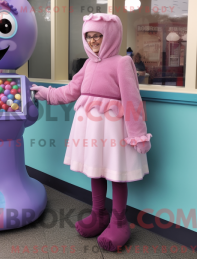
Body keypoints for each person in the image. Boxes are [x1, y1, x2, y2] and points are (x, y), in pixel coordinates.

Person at [30, 13, 152, 252]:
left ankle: (119, 223)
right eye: (89, 36)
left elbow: (132, 100)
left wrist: (137, 133)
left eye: (98, 35)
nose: (94, 41)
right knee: (95, 171)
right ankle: (99, 215)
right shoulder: (87, 64)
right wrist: (45, 93)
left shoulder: (122, 63)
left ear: (111, 36)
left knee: (116, 174)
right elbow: (70, 91)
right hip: (89, 128)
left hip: (113, 128)